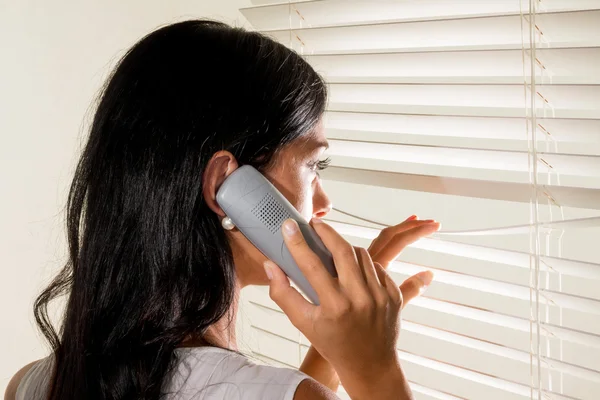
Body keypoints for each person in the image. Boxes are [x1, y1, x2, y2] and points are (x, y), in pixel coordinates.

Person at [5, 20, 440, 400]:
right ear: (226, 187)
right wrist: (375, 370)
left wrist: (340, 340)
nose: (322, 204)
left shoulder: (31, 384)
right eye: (313, 166)